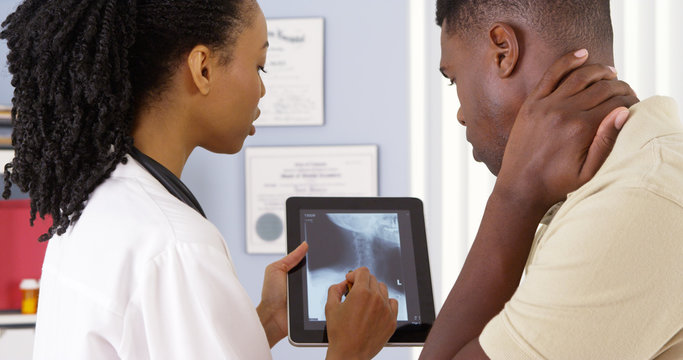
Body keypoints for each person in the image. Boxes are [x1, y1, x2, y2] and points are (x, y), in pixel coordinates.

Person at [0, 1, 398, 359]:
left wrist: (268, 322)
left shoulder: (92, 206)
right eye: (259, 66)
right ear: (202, 68)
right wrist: (350, 352)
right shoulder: (176, 245)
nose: (262, 89)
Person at [420, 0, 683, 359]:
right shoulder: (617, 179)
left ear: (503, 50)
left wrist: (514, 196)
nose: (461, 114)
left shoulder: (636, 200)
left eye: (454, 80)